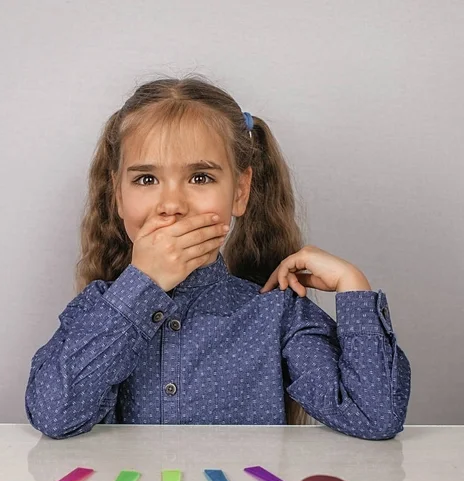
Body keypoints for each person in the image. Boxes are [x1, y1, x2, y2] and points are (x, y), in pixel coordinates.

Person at [25, 76, 411, 441]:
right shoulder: (100, 309)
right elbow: (55, 415)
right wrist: (141, 285)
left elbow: (372, 417)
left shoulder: (275, 313)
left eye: (200, 178)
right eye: (146, 179)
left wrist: (352, 285)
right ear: (118, 195)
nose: (172, 205)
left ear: (240, 191)